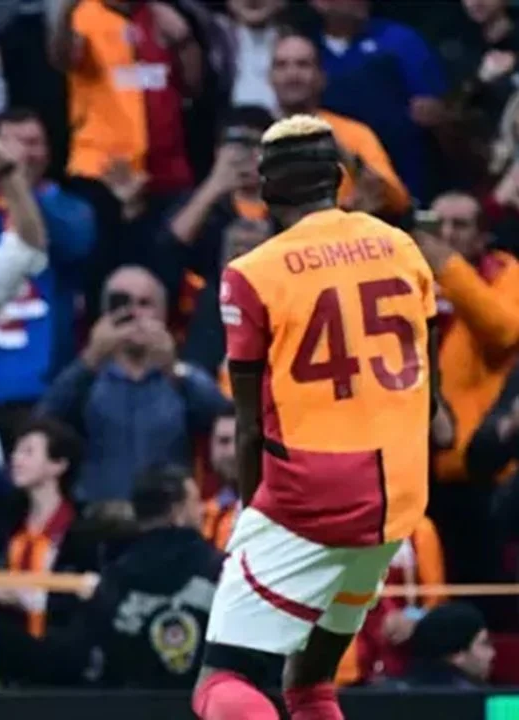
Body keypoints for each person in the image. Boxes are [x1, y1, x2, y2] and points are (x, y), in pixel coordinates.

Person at [194, 114, 438, 720]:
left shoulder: (251, 274)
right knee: (309, 684)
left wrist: (252, 521)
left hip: (312, 498)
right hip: (398, 495)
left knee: (222, 682)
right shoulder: (401, 246)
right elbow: (428, 391)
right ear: (337, 178)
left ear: (267, 191)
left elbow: (250, 425)